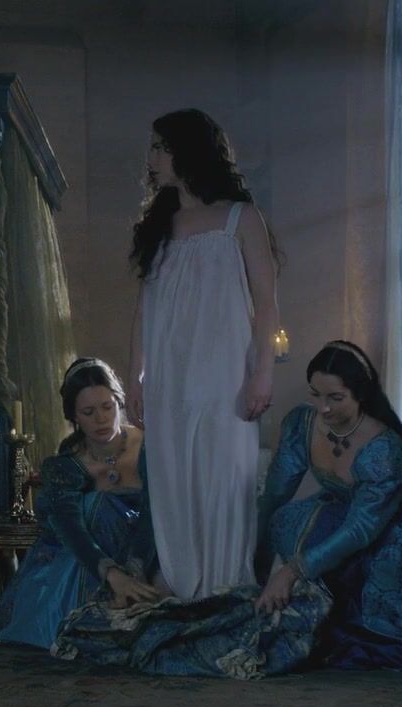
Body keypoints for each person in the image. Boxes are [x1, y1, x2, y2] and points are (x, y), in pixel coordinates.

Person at [127, 109, 281, 600]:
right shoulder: (160, 226)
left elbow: (266, 303)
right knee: (173, 480)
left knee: (222, 479)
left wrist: (262, 375)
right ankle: (183, 582)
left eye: (160, 147)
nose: (151, 158)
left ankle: (224, 586)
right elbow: (145, 309)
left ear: (187, 151)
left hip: (223, 375)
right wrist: (135, 377)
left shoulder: (241, 217)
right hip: (170, 377)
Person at [254, 341, 402, 669]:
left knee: (384, 560)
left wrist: (291, 570)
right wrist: (255, 566)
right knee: (286, 519)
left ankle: (363, 618)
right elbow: (274, 495)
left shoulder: (384, 448)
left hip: (395, 524)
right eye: (316, 395)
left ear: (360, 395)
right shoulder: (302, 423)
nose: (323, 408)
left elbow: (362, 528)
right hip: (347, 511)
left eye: (335, 398)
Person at [0, 358, 161, 649]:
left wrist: (135, 567)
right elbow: (71, 528)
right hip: (93, 558)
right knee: (96, 506)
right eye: (88, 412)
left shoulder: (147, 444)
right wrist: (111, 574)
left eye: (107, 407)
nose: (101, 419)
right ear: (74, 417)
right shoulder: (66, 465)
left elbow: (157, 509)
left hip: (150, 548)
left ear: (119, 403)